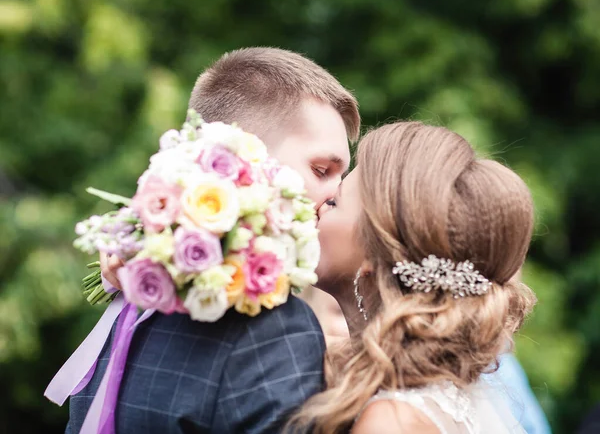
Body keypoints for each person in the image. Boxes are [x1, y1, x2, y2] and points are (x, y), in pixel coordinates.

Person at [66, 47, 360, 434]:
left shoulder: (133, 309)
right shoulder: (275, 331)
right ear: (241, 160)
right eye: (322, 170)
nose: (337, 195)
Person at [288, 121, 537, 433]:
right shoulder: (433, 392)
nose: (317, 207)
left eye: (335, 202)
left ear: (373, 250)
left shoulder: (392, 422)